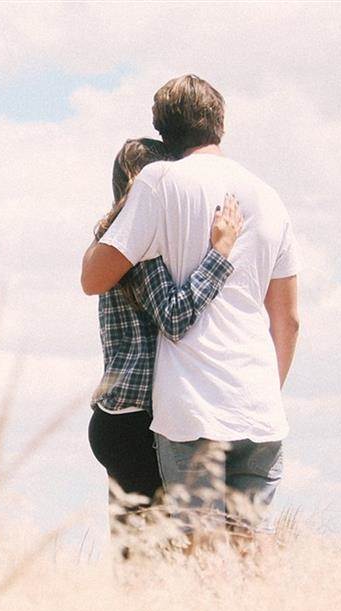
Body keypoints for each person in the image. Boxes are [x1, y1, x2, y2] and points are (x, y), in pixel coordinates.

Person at [80, 75, 301, 551]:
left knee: (187, 554)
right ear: (220, 122)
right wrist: (264, 387)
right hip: (258, 403)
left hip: (189, 407)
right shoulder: (270, 196)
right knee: (252, 545)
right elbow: (289, 320)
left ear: (164, 130)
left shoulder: (160, 186)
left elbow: (97, 280)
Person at [87, 137, 244, 559]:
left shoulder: (114, 241)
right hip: (138, 421)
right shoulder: (141, 247)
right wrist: (219, 255)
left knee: (138, 559)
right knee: (154, 563)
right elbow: (174, 317)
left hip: (117, 417)